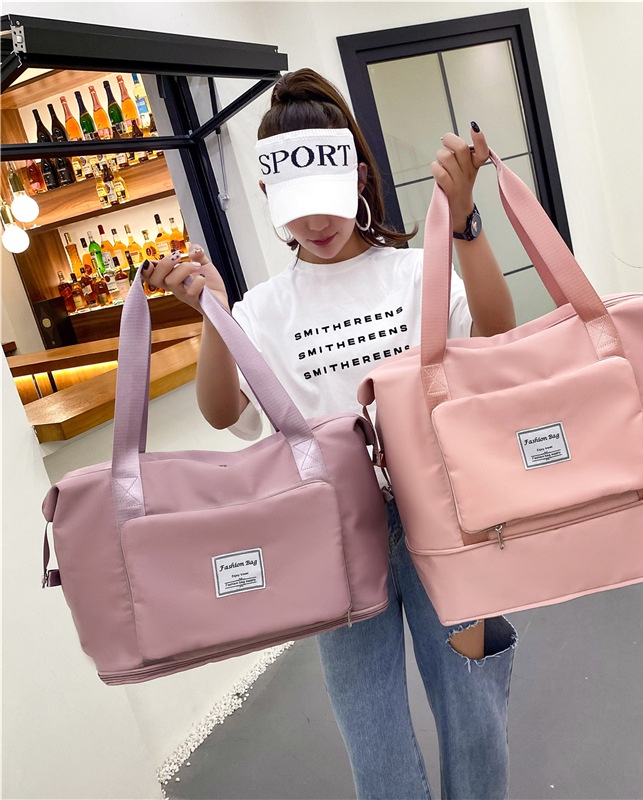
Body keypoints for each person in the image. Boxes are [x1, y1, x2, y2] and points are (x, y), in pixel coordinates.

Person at [145, 68, 518, 800]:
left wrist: (465, 220)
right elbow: (223, 412)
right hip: (331, 534)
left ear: (358, 178)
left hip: (447, 512)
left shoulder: (414, 273)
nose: (316, 223)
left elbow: (497, 336)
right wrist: (214, 310)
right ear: (267, 195)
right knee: (371, 734)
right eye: (296, 207)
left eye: (328, 199)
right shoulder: (263, 310)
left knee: (474, 706)